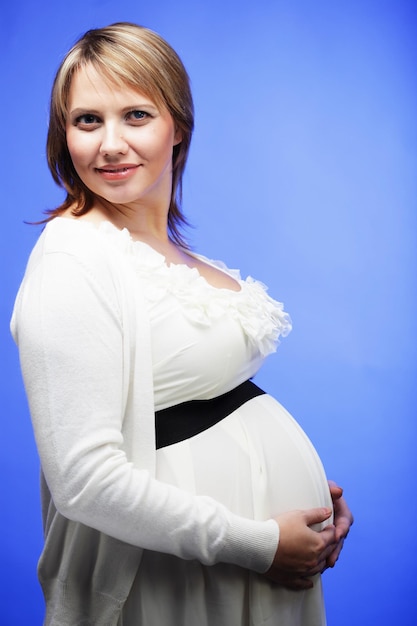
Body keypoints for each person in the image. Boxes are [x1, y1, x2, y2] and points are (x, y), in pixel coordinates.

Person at [11, 22, 353, 626]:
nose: (110, 143)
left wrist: (308, 510)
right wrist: (259, 542)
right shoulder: (73, 256)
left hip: (259, 566)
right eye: (87, 120)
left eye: (136, 115)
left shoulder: (173, 255)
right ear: (63, 137)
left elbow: (207, 405)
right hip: (177, 575)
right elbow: (82, 479)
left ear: (179, 125)